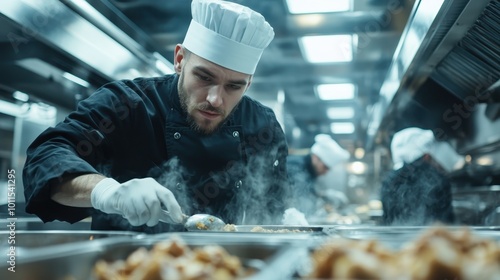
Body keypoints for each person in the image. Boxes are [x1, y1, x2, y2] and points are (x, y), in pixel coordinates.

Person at [22, 0, 288, 233]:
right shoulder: (126, 103)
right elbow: (45, 156)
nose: (215, 99)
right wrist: (108, 192)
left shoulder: (262, 125)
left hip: (226, 267)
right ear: (180, 59)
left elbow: (271, 214)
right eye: (204, 77)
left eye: (234, 86)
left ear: (249, 83)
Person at [380, 127, 464, 226]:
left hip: (393, 240)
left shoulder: (388, 181)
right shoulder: (437, 179)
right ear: (426, 156)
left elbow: (388, 221)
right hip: (429, 240)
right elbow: (445, 225)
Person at [286, 134, 350, 216]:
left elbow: (308, 192)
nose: (325, 172)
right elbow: (301, 198)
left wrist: (323, 195)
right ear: (316, 157)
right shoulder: (295, 166)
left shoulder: (309, 170)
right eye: (325, 167)